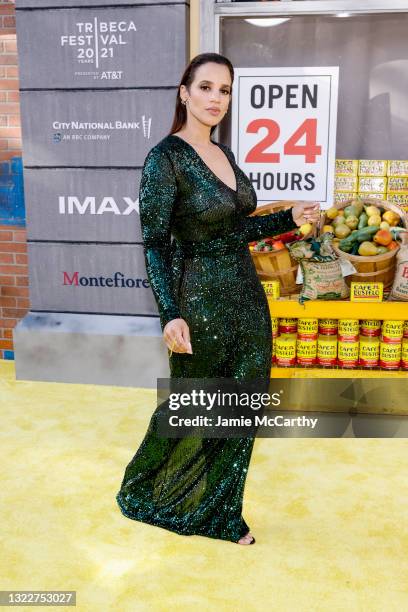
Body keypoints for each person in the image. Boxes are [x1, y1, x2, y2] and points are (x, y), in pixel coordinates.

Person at [116, 53, 320, 545]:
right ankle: (144, 486)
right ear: (184, 92)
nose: (215, 99)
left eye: (224, 90)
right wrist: (171, 313)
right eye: (206, 87)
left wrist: (289, 216)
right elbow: (156, 244)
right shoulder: (164, 158)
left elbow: (235, 230)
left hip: (248, 301)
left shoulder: (225, 155)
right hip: (200, 299)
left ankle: (220, 511)